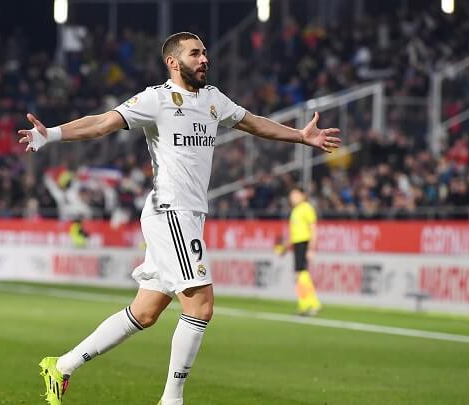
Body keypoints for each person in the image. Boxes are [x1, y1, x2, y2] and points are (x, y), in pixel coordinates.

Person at [18, 32, 341, 405]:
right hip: (170, 211)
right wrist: (53, 134)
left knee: (145, 311)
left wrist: (300, 137)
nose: (204, 59)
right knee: (201, 304)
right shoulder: (155, 99)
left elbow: (253, 122)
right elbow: (104, 122)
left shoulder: (213, 99)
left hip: (187, 214)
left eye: (205, 52)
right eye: (195, 53)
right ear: (173, 62)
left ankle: (62, 366)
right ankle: (172, 400)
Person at [277, 187, 322, 315]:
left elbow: (313, 228)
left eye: (295, 194)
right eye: (291, 195)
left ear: (303, 195)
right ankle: (309, 303)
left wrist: (312, 248)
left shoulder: (306, 208)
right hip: (297, 244)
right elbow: (293, 234)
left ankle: (309, 304)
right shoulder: (295, 211)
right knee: (301, 274)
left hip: (304, 243)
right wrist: (285, 247)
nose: (293, 198)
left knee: (301, 274)